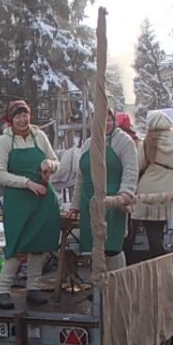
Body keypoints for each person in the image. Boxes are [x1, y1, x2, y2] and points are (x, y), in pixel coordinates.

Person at [0, 99, 61, 309]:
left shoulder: (39, 136)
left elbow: (56, 161)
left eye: (25, 115)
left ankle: (34, 288)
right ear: (11, 119)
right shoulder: (4, 141)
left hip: (42, 199)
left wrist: (49, 164)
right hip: (18, 200)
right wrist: (27, 183)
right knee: (17, 244)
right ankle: (3, 291)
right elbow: (0, 174)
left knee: (38, 245)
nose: (22, 119)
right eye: (18, 116)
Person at [66, 108, 138, 270]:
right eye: (101, 120)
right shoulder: (87, 144)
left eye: (109, 120)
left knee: (112, 246)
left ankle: (118, 285)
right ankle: (99, 288)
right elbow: (81, 178)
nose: (106, 124)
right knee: (94, 248)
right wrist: (75, 205)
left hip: (113, 200)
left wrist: (126, 192)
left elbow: (131, 169)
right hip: (89, 201)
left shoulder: (124, 141)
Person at [132, 110, 173, 256]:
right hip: (168, 190)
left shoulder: (146, 143)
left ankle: (158, 259)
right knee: (160, 229)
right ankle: (161, 260)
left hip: (147, 190)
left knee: (151, 231)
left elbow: (137, 166)